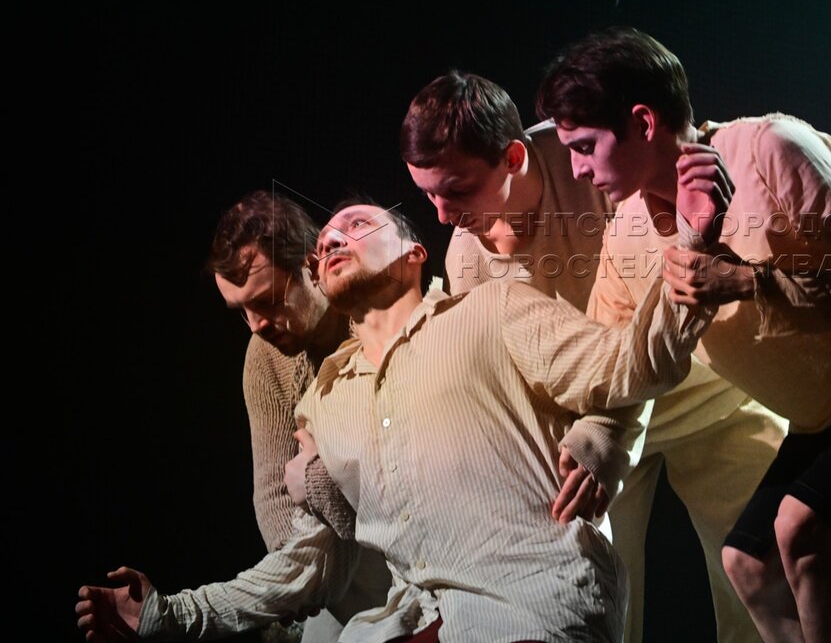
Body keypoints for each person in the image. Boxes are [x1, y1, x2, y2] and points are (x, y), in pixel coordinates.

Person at [77, 178, 725, 642]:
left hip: (527, 605)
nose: (335, 237)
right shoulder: (328, 401)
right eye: (328, 236)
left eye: (358, 226)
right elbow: (308, 556)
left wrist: (694, 241)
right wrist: (170, 614)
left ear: (415, 256)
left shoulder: (491, 310)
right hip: (406, 615)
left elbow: (624, 365)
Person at [536, 27, 831, 643]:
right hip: (818, 422)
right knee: (749, 564)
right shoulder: (627, 233)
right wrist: (597, 437)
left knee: (801, 543)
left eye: (585, 146)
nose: (577, 169)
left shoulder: (768, 150)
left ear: (643, 122)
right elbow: (616, 356)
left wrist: (747, 281)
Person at [400, 72, 638, 521]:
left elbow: (656, 286)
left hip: (691, 386)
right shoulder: (466, 264)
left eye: (456, 190)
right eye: (428, 195)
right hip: (589, 432)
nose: (442, 215)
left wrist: (611, 425)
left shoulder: (587, 160)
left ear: (512, 157)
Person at [208, 191, 390, 643]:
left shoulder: (375, 318)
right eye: (242, 311)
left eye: (268, 301)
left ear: (312, 266)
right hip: (331, 552)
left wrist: (318, 479)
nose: (256, 324)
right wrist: (299, 576)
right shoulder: (263, 357)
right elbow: (273, 490)